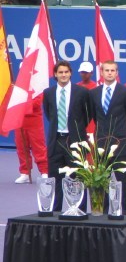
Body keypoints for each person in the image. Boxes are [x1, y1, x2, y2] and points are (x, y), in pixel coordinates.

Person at [91, 60, 126, 215]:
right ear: (102, 72)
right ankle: (100, 213)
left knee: (125, 181)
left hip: (121, 144)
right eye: (107, 70)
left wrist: (122, 133)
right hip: (100, 144)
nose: (110, 73)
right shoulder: (94, 93)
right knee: (100, 181)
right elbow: (94, 116)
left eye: (113, 70)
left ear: (117, 73)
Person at [42, 60, 91, 211]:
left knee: (78, 178)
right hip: (56, 140)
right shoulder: (48, 93)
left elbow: (87, 115)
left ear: (70, 73)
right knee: (56, 179)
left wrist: (76, 131)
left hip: (75, 141)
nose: (63, 75)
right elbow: (50, 114)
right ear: (55, 75)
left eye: (66, 72)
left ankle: (79, 210)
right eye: (60, 72)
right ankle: (55, 212)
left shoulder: (81, 92)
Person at [14, 93, 48, 184]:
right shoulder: (18, 85)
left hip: (34, 120)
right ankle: (25, 172)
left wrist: (21, 104)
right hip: (20, 119)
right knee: (21, 147)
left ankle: (44, 171)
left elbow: (36, 103)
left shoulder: (38, 85)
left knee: (39, 147)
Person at [76, 61, 96, 136]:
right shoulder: (76, 87)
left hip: (92, 123)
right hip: (79, 121)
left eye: (86, 72)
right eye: (82, 72)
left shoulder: (96, 87)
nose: (84, 74)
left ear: (91, 73)